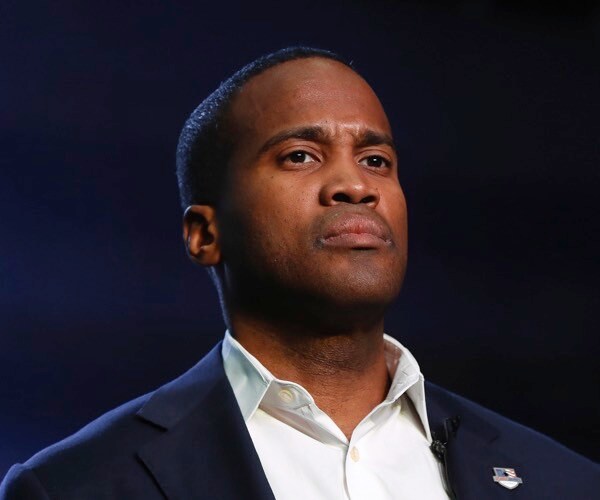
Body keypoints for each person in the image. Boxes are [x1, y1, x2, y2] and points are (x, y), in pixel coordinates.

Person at [1, 46, 597, 500]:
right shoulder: (77, 486)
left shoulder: (563, 481)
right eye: (300, 156)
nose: (355, 185)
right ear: (206, 234)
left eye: (376, 160)